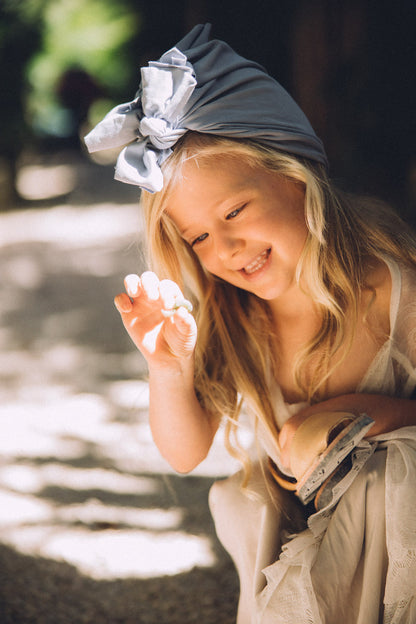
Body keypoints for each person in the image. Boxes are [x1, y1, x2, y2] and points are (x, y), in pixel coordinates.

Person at [84, 24, 416, 623]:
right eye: (201, 237)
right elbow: (185, 453)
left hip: (402, 541)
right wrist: (168, 368)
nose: (228, 246)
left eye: (235, 210)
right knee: (245, 496)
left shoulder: (390, 289)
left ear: (293, 176)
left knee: (380, 480)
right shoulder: (233, 318)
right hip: (304, 541)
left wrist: (369, 415)